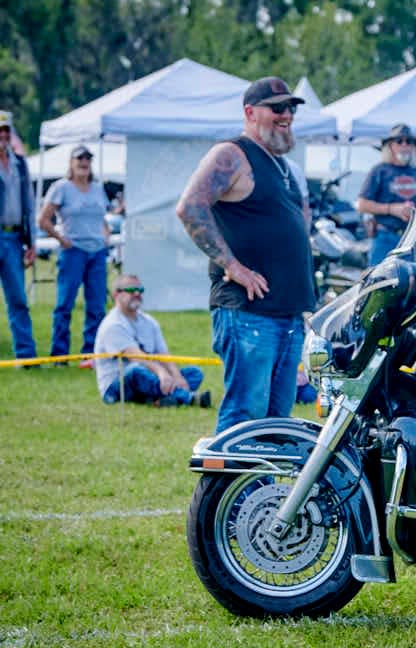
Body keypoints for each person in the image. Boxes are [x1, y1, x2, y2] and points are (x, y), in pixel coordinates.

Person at [176, 76, 316, 433]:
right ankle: (225, 491)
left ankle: (261, 491)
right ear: (251, 112)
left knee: (275, 425)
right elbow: (190, 207)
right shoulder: (232, 154)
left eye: (291, 108)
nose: (286, 115)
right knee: (244, 419)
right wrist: (232, 266)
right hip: (249, 315)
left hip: (286, 316)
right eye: (277, 108)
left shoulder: (282, 166)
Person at [39, 145, 110, 368]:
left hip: (97, 253)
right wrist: (62, 240)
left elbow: (102, 218)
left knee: (97, 306)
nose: (84, 162)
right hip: (73, 252)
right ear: (71, 163)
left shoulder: (98, 188)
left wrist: (106, 236)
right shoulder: (61, 188)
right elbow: (43, 219)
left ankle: (91, 355)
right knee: (64, 304)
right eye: (79, 159)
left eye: (87, 159)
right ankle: (60, 355)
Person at [94, 274, 211, 408]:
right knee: (136, 371)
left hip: (149, 376)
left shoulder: (149, 322)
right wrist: (162, 373)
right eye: (131, 290)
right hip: (116, 388)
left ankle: (160, 400)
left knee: (194, 373)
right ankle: (190, 398)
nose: (137, 293)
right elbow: (136, 357)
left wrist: (176, 376)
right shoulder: (112, 325)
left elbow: (163, 354)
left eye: (140, 290)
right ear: (116, 294)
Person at [356, 124, 416, 266]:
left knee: (412, 282)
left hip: (411, 238)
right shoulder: (379, 171)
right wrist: (392, 209)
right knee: (379, 283)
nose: (404, 145)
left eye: (409, 141)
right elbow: (362, 204)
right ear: (390, 146)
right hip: (385, 237)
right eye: (399, 141)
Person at [0, 109, 38, 364]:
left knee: (18, 300)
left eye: (5, 131)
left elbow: (30, 204)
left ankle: (26, 355)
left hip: (14, 239)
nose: (2, 135)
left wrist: (32, 242)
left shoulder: (20, 164)